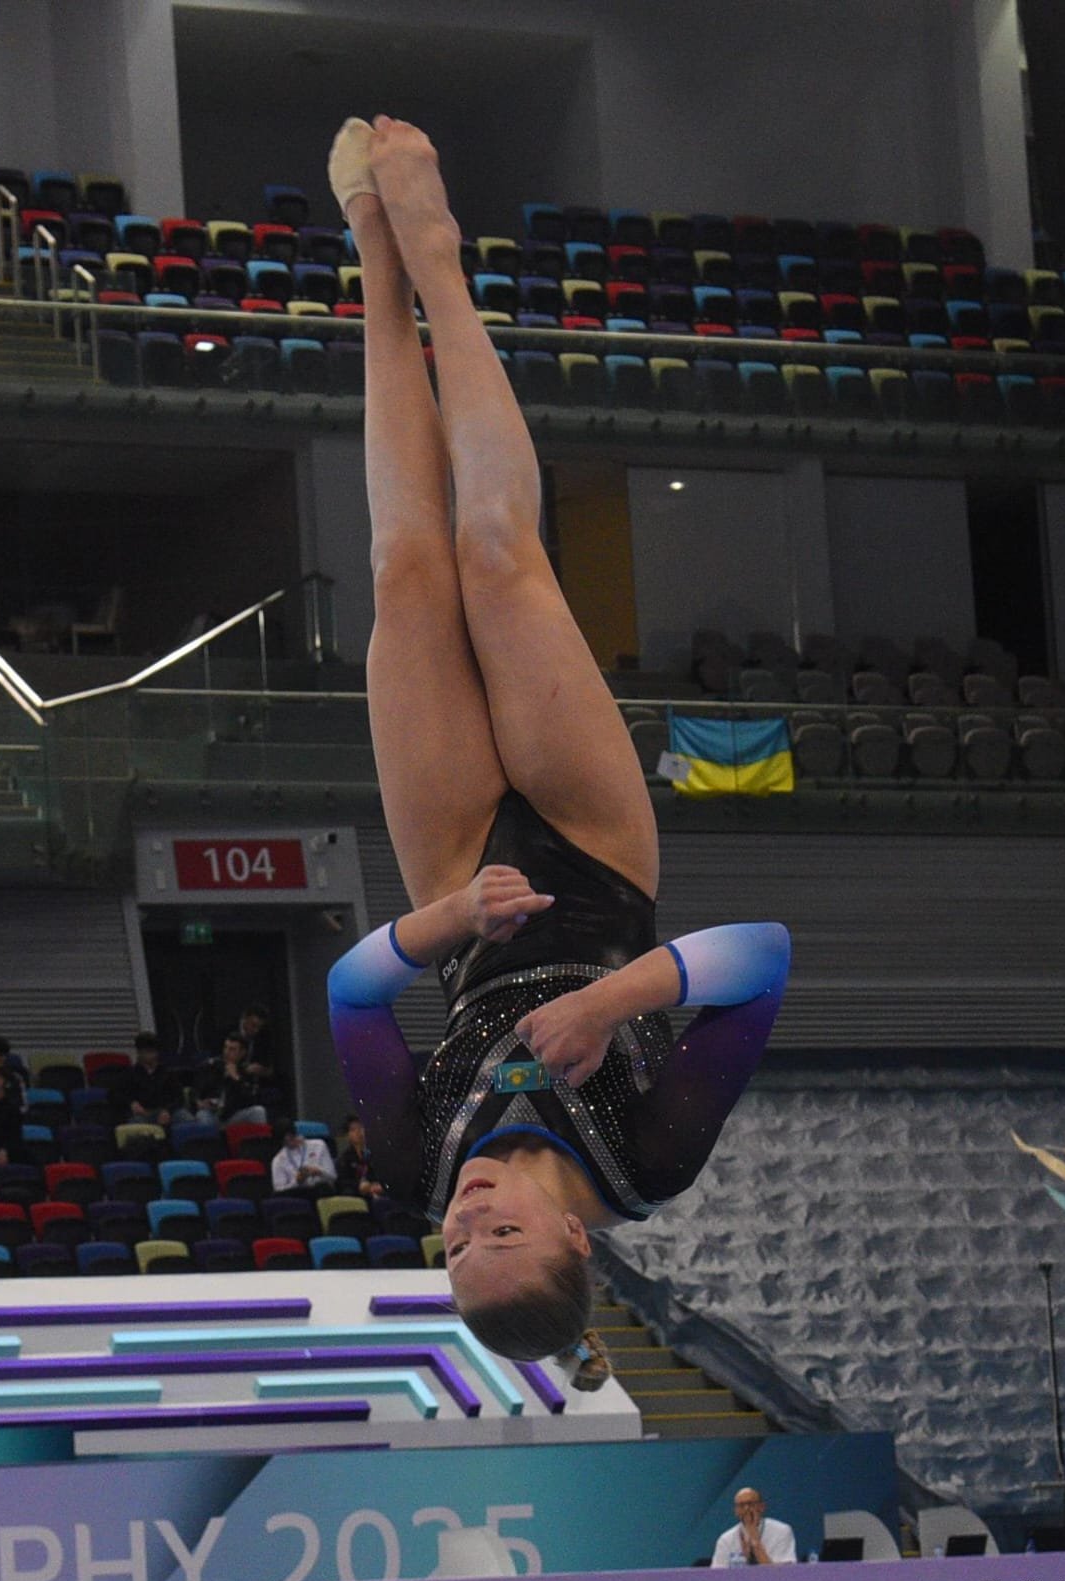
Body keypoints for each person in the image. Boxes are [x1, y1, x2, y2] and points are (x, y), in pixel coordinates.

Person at [323, 117, 791, 1363]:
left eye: (455, 1251)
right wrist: (611, 997)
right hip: (593, 858)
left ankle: (370, 249)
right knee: (497, 558)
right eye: (502, 1242)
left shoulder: (419, 1165)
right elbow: (760, 957)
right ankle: (435, 252)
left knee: (407, 573)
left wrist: (442, 923)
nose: (467, 1221)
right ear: (579, 1243)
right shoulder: (650, 1158)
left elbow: (352, 994)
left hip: (457, 892)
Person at [711, 1488, 796, 1567]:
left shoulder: (781, 1531)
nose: (746, 1508)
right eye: (741, 1505)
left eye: (750, 1504)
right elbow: (716, 1576)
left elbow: (783, 1574)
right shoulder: (726, 1540)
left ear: (762, 1507)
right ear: (736, 1511)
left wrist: (755, 1543)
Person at [270, 1119, 337, 1198]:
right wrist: (297, 1181)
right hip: (297, 1195)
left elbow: (333, 1176)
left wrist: (318, 1171)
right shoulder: (278, 1160)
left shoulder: (319, 1145)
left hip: (321, 1192)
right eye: (286, 1141)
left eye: (292, 1137)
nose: (291, 1142)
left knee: (322, 1189)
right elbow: (279, 1191)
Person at [125, 1033, 180, 1128]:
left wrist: (168, 1110)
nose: (152, 1055)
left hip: (165, 1111)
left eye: (154, 1051)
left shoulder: (166, 1073)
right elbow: (116, 1095)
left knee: (185, 1118)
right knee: (136, 1124)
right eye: (148, 1052)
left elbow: (178, 1096)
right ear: (140, 1053)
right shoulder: (129, 1074)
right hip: (142, 1114)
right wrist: (131, 1103)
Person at [336, 1114, 385, 1199]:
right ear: (347, 1136)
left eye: (361, 1128)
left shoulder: (375, 1153)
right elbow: (343, 1181)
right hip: (356, 1192)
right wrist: (359, 1186)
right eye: (353, 1130)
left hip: (375, 1188)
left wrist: (377, 1185)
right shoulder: (345, 1158)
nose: (358, 1132)